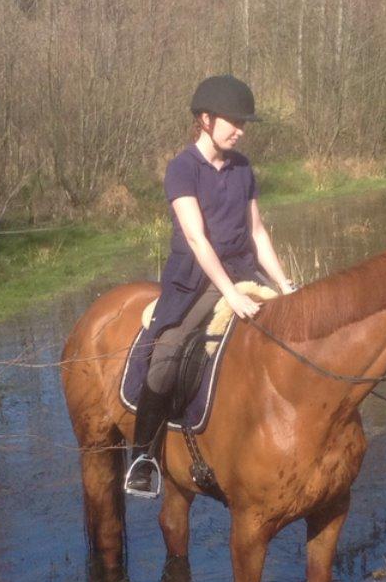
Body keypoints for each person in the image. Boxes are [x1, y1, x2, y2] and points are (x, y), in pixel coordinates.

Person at [124, 74, 295, 498]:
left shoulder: (243, 168)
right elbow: (198, 240)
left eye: (244, 124)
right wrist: (230, 294)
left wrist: (286, 284)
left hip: (243, 272)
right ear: (205, 119)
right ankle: (144, 457)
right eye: (233, 122)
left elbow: (257, 233)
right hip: (196, 281)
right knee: (167, 353)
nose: (240, 130)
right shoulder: (182, 169)